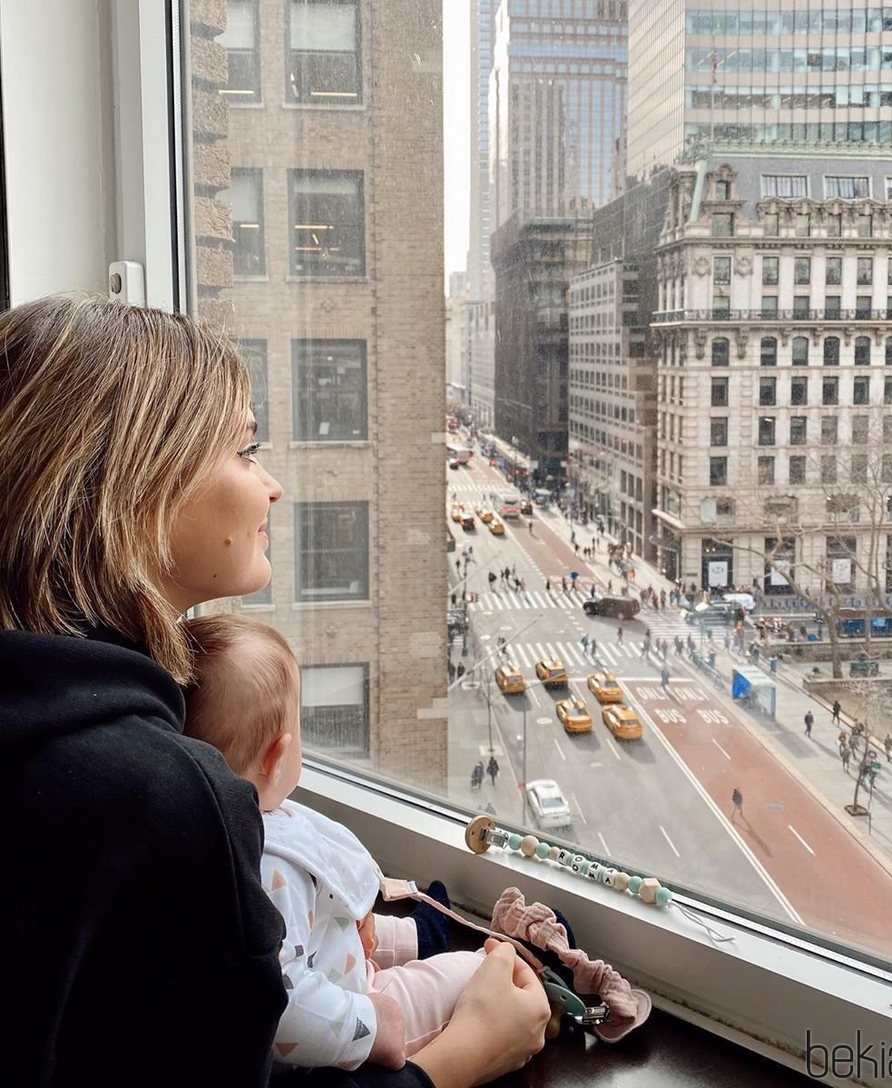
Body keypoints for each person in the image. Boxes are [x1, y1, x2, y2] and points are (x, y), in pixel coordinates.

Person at [0, 295, 549, 1088]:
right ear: (140, 485)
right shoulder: (165, 799)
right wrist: (461, 1059)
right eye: (245, 450)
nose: (273, 486)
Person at [186, 614, 488, 1069]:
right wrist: (372, 1024)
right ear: (277, 756)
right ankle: (484, 968)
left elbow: (318, 905)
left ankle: (420, 934)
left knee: (359, 922)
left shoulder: (223, 822)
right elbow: (285, 1006)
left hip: (334, 950)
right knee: (466, 975)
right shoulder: (267, 870)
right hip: (350, 1004)